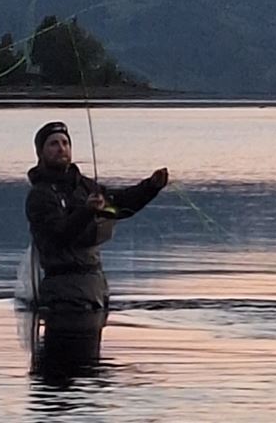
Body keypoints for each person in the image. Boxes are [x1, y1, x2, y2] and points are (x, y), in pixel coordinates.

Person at [25, 121, 169, 314]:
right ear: (40, 153)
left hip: (95, 288)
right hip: (62, 293)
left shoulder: (85, 186)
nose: (61, 149)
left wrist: (151, 186)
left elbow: (120, 204)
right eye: (53, 144)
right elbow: (58, 235)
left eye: (65, 143)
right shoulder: (40, 195)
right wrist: (87, 211)